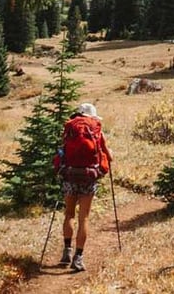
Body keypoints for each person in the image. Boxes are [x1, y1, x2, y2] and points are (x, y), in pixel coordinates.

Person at [55, 102, 112, 271]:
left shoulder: (70, 128)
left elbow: (62, 151)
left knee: (69, 214)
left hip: (70, 175)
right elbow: (108, 155)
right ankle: (78, 258)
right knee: (84, 218)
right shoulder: (96, 130)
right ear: (92, 116)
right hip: (88, 177)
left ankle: (66, 251)